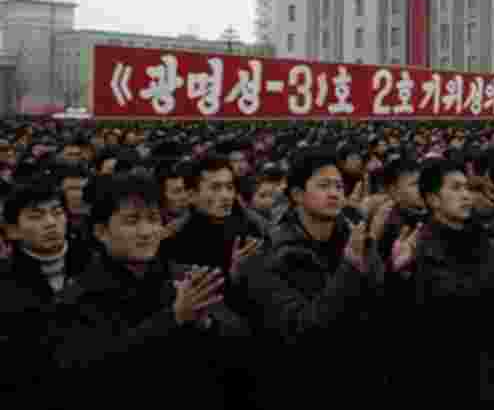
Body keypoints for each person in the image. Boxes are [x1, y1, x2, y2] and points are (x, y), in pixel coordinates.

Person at [53, 174, 248, 410]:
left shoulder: (185, 277)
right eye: (132, 221)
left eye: (153, 219)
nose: (146, 232)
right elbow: (90, 372)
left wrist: (206, 323)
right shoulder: (77, 297)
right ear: (101, 232)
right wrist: (173, 318)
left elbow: (241, 345)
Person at [234, 147, 397, 410]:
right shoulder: (270, 255)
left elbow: (381, 314)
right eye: (323, 185)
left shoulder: (358, 240)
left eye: (338, 186)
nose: (334, 193)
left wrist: (397, 271)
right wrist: (350, 267)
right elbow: (303, 331)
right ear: (298, 195)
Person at [408, 158, 494, 408]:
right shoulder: (427, 247)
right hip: (460, 373)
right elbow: (460, 301)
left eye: (466, 188)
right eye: (455, 188)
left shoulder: (477, 233)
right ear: (433, 200)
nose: (465, 195)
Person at [0, 179, 92, 405]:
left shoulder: (95, 263)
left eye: (57, 212)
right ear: (12, 230)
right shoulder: (5, 284)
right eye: (36, 216)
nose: (51, 223)